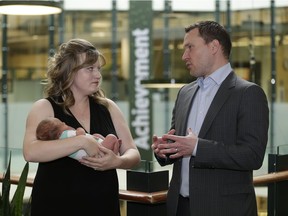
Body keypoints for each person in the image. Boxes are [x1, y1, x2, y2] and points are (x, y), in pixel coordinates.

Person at [151, 21, 269, 216]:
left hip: (224, 209)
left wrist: (197, 147)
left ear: (214, 47)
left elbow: (253, 155)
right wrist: (164, 150)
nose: (184, 56)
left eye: (190, 47)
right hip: (180, 207)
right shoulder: (185, 93)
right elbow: (180, 145)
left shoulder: (249, 93)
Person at [23, 38, 141, 216]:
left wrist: (117, 162)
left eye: (99, 69)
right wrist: (82, 142)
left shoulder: (108, 107)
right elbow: (30, 152)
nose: (98, 75)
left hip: (103, 205)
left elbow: (133, 153)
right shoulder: (45, 107)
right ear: (69, 72)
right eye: (90, 69)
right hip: (56, 206)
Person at [36, 117, 121, 159]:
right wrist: (79, 130)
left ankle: (111, 148)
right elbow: (81, 136)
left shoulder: (60, 143)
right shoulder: (65, 135)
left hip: (93, 152)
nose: (64, 122)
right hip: (98, 152)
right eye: (62, 124)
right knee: (111, 137)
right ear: (58, 134)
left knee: (96, 135)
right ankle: (112, 147)